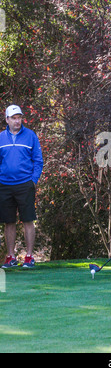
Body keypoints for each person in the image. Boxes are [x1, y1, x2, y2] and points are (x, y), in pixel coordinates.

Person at [0, 105, 43, 268]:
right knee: (8, 222)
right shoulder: (1, 138)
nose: (17, 121)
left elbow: (38, 160)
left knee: (28, 220)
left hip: (25, 184)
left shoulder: (30, 136)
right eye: (14, 118)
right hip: (4, 185)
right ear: (7, 120)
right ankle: (11, 257)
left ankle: (29, 257)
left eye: (19, 117)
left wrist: (33, 180)